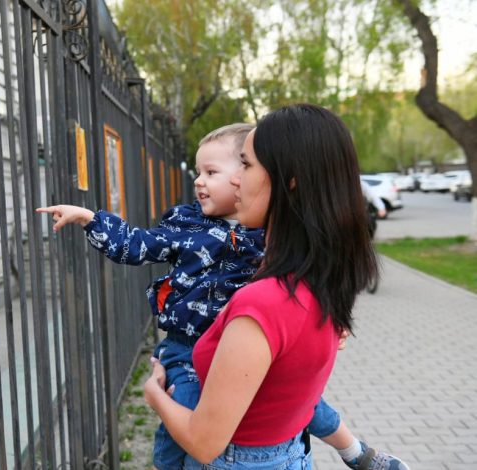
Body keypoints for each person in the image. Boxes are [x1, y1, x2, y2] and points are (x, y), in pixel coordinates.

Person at [38, 123, 406, 470]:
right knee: (183, 408)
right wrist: (91, 219)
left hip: (246, 354)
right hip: (187, 346)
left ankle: (353, 450)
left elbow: (315, 280)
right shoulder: (187, 225)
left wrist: (334, 322)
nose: (200, 181)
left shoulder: (270, 236)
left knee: (307, 403)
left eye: (217, 171)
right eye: (199, 172)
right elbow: (136, 245)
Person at [142, 105, 409, 470]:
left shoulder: (263, 302)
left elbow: (204, 443)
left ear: (290, 180)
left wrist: (155, 395)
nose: (235, 180)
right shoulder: (318, 280)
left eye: (247, 165)